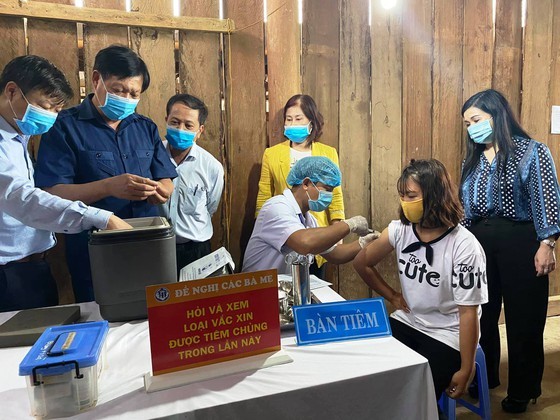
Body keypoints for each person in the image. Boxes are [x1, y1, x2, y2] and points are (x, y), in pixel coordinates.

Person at [34, 45, 177, 303]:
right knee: (101, 312)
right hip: (94, 248)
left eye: (134, 94)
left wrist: (163, 191)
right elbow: (51, 192)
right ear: (97, 79)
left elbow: (165, 177)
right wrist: (109, 187)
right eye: (119, 90)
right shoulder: (64, 127)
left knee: (153, 313)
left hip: (146, 242)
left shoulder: (144, 127)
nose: (126, 98)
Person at [353, 159, 488, 417]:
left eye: (412, 196)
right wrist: (392, 295)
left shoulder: (464, 246)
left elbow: (468, 313)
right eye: (402, 195)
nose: (405, 202)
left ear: (435, 195)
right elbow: (362, 263)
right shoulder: (400, 230)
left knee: (411, 393)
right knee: (369, 375)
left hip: (447, 335)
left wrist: (466, 367)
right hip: (409, 320)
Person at [0, 55, 131, 312]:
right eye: (44, 106)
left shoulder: (18, 135)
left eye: (56, 111)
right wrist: (100, 217)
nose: (50, 116)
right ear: (12, 91)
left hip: (32, 267)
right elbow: (21, 198)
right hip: (7, 274)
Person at [459, 89, 560, 413]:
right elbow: (465, 209)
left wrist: (547, 244)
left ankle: (522, 389)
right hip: (478, 243)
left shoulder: (532, 152)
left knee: (524, 320)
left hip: (521, 240)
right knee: (482, 316)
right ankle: (483, 378)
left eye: (475, 120)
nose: (471, 128)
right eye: (467, 123)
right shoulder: (471, 160)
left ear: (496, 115)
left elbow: (547, 200)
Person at [256, 94, 345, 278]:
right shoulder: (272, 154)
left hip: (318, 233)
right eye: (289, 119)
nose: (293, 123)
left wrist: (338, 230)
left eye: (298, 119)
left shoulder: (328, 153)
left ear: (311, 122)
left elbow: (335, 196)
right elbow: (263, 197)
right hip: (284, 233)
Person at [243, 156, 376, 275]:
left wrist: (364, 242)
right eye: (327, 189)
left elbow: (335, 254)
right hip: (259, 292)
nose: (329, 196)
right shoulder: (276, 207)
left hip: (283, 291)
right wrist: (350, 224)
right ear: (306, 183)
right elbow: (304, 243)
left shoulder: (308, 219)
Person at [159, 94, 224, 277]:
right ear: (166, 120)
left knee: (194, 303)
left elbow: (211, 206)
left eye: (188, 125)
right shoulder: (151, 158)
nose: (180, 129)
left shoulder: (212, 167)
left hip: (195, 249)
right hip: (156, 247)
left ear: (200, 130)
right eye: (175, 122)